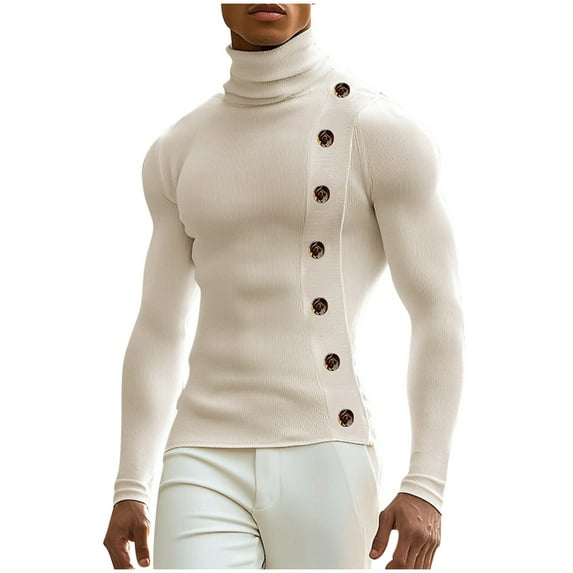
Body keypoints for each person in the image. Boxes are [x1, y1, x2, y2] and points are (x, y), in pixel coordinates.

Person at [103, 3, 464, 569]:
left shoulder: (379, 130)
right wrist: (131, 483)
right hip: (200, 455)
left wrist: (427, 483)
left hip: (327, 454)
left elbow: (438, 311)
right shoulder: (177, 149)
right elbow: (158, 326)